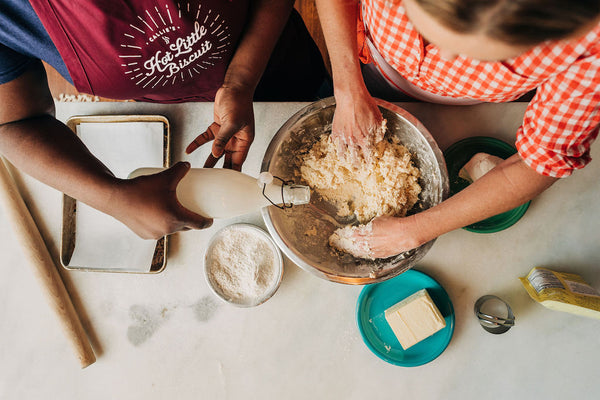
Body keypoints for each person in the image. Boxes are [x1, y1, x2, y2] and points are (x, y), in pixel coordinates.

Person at [0, 0, 328, 239]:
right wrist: (113, 198)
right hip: (181, 108)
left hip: (276, 58)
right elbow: (14, 122)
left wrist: (241, 80)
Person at [315, 0, 600, 258]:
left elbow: (539, 161)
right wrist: (348, 86)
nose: (446, 58)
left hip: (466, 108)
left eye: (483, 58)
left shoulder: (591, 45)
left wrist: (413, 231)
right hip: (369, 68)